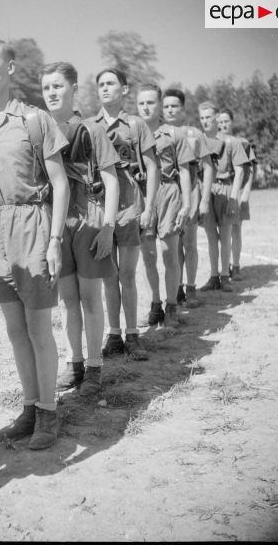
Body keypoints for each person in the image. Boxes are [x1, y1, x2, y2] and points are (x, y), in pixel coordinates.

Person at [0, 37, 70, 449]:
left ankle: (49, 415)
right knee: (14, 330)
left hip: (32, 225)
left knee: (39, 328)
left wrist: (55, 240)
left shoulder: (34, 120)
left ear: (10, 68)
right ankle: (29, 406)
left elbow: (59, 184)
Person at [40, 62, 120, 396]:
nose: (51, 93)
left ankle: (95, 368)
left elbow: (111, 179)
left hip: (89, 222)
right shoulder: (39, 130)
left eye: (58, 86)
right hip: (58, 225)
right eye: (46, 88)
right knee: (68, 301)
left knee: (90, 299)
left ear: (74, 89)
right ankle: (75, 364)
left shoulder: (91, 129)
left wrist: (108, 227)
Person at [92, 69, 158, 360]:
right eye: (101, 85)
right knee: (109, 276)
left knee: (128, 275)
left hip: (130, 209)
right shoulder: (88, 125)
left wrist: (151, 207)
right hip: (100, 211)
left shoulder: (136, 124)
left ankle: (133, 336)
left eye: (111, 84)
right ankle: (114, 335)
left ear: (124, 89)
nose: (105, 89)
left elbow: (153, 168)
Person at [136, 83, 194, 328]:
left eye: (151, 102)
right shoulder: (131, 132)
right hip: (141, 194)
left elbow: (185, 170)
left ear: (159, 104)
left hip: (169, 192)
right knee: (148, 256)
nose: (146, 107)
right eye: (141, 103)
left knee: (170, 254)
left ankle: (172, 306)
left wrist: (187, 204)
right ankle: (156, 305)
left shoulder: (174, 134)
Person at [162, 88, 215, 307]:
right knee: (171, 248)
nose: (170, 110)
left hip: (190, 193)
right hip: (166, 196)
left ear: (182, 109)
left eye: (174, 106)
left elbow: (209, 167)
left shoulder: (193, 134)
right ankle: (177, 290)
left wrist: (203, 200)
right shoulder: (157, 133)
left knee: (189, 244)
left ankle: (191, 288)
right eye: (166, 106)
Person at [197, 101, 249, 292]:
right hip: (206, 192)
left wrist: (234, 198)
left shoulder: (231, 141)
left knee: (226, 234)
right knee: (211, 236)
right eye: (202, 118)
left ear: (217, 118)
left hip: (225, 189)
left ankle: (226, 276)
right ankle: (213, 276)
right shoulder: (198, 140)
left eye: (209, 117)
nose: (205, 121)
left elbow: (240, 172)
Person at [216, 109, 257, 281]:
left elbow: (251, 168)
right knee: (220, 232)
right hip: (220, 190)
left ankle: (236, 266)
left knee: (236, 229)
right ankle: (222, 269)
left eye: (226, 121)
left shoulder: (243, 142)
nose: (223, 124)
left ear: (232, 122)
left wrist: (246, 192)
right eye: (220, 122)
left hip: (237, 190)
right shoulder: (213, 141)